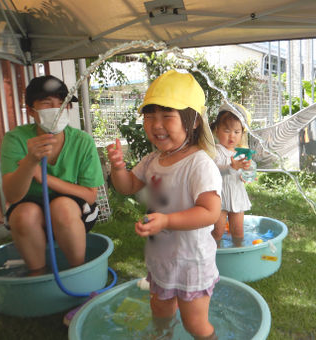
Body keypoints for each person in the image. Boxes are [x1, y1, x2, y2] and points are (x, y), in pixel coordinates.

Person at [106, 70, 221, 340]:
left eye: (167, 116)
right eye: (149, 116)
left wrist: (167, 220)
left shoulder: (199, 164)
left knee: (195, 325)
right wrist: (117, 167)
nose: (156, 124)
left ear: (192, 121)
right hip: (162, 261)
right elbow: (126, 187)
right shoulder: (153, 159)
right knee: (160, 312)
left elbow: (210, 211)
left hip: (191, 263)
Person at [0, 75, 104, 276]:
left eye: (62, 104)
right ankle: (38, 275)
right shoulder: (16, 139)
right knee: (24, 215)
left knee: (62, 208)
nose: (56, 110)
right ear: (31, 110)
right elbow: (11, 196)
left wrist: (43, 176)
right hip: (28, 208)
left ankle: (79, 273)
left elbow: (90, 195)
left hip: (73, 211)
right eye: (47, 104)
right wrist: (30, 161)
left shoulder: (82, 142)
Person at [210, 102, 252, 247]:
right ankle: (213, 254)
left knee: (238, 232)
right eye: (227, 131)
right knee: (218, 231)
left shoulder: (240, 154)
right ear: (217, 131)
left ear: (242, 133)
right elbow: (214, 170)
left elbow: (244, 175)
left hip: (237, 196)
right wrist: (230, 167)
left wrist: (247, 173)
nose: (232, 136)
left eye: (236, 132)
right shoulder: (215, 152)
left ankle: (239, 252)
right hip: (219, 198)